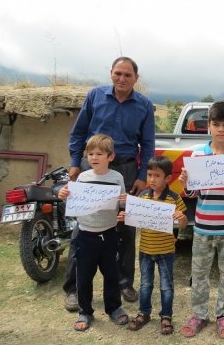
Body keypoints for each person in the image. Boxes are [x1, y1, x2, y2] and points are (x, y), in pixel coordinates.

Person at [63, 57, 155, 310]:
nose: (122, 79)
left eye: (127, 75)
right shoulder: (94, 96)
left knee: (125, 226)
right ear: (111, 74)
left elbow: (147, 144)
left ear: (136, 78)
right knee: (83, 226)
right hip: (91, 168)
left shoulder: (144, 105)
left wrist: (141, 175)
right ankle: (73, 287)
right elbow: (79, 132)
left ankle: (124, 282)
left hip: (126, 170)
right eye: (118, 73)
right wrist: (74, 162)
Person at [178, 101, 224, 340]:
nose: (221, 129)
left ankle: (223, 315)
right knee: (199, 273)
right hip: (202, 226)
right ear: (208, 126)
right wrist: (185, 183)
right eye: (216, 124)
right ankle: (199, 314)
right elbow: (192, 194)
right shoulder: (198, 154)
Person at [58, 134, 129, 331]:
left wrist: (125, 201)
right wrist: (63, 196)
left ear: (110, 156)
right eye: (90, 154)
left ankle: (114, 308)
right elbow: (75, 203)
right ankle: (85, 311)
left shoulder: (117, 178)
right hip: (85, 235)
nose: (94, 157)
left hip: (109, 235)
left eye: (99, 153)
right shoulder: (82, 177)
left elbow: (122, 204)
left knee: (111, 274)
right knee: (84, 276)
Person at [117, 156, 188, 335]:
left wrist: (182, 218)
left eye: (157, 176)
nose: (152, 180)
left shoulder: (174, 198)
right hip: (146, 250)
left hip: (166, 251)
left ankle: (166, 316)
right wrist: (126, 217)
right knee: (146, 284)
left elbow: (184, 225)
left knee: (166, 285)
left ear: (167, 178)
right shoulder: (143, 196)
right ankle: (144, 313)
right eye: (149, 175)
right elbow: (136, 218)